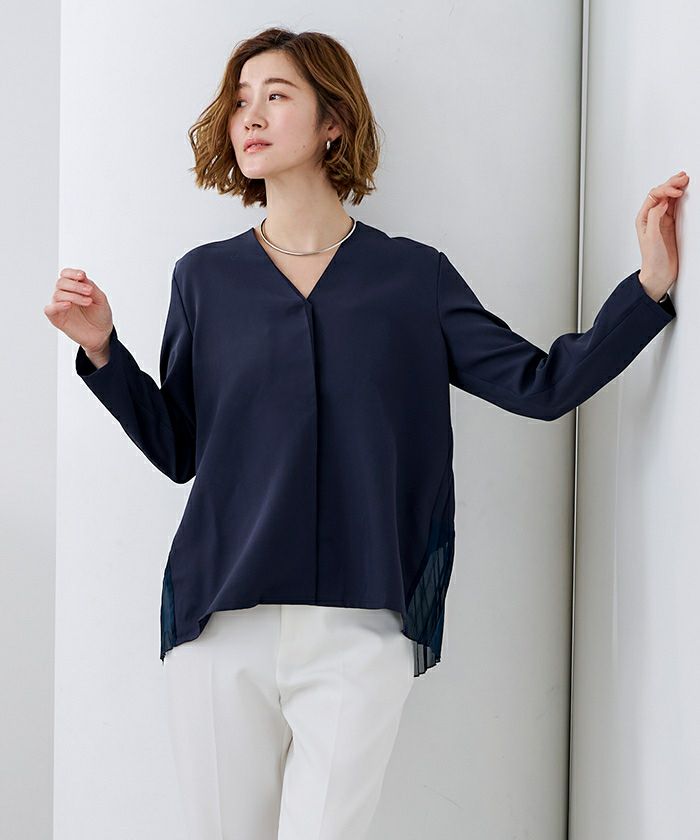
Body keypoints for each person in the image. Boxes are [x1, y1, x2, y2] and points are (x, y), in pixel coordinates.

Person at [44, 26, 688, 840]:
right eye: (239, 101)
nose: (250, 116)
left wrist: (648, 288)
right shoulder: (203, 278)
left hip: (362, 629)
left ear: (333, 122)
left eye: (276, 95)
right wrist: (105, 351)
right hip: (219, 622)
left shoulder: (413, 278)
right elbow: (180, 449)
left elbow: (541, 386)